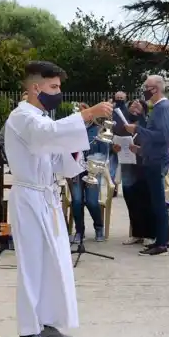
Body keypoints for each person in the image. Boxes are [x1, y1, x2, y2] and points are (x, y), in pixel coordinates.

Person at [4, 60, 113, 337]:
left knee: (53, 263)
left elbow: (53, 151)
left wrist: (79, 140)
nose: (58, 92)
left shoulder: (40, 116)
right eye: (54, 87)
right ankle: (27, 334)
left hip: (47, 197)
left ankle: (47, 321)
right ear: (36, 87)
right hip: (29, 198)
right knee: (32, 265)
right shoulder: (22, 116)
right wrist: (87, 114)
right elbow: (46, 134)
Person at [125, 75, 169, 256]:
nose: (144, 90)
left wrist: (136, 129)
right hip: (152, 159)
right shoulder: (159, 108)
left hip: (157, 162)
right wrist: (140, 150)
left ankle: (162, 243)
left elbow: (162, 137)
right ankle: (159, 241)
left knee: (158, 204)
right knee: (154, 203)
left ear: (155, 89)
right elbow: (155, 136)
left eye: (146, 86)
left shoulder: (162, 108)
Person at [118, 99, 155, 246]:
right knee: (131, 201)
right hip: (128, 167)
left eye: (138, 105)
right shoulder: (123, 125)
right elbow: (115, 141)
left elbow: (153, 144)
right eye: (132, 104)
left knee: (145, 201)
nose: (134, 106)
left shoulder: (146, 125)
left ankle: (149, 234)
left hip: (143, 167)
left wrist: (140, 150)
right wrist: (115, 148)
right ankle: (136, 233)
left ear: (144, 110)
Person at [67, 103, 105, 244]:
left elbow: (104, 151)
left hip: (92, 170)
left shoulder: (98, 130)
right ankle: (79, 231)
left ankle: (99, 227)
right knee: (76, 201)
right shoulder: (72, 131)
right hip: (76, 170)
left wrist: (95, 163)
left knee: (91, 201)